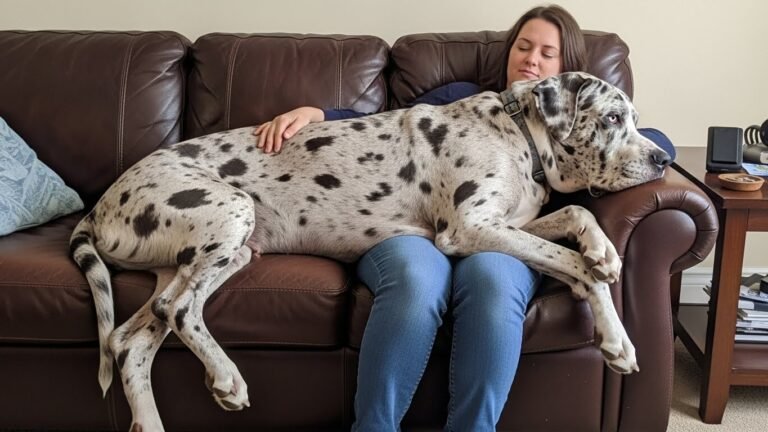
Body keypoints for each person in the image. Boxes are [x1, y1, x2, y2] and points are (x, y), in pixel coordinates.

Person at [253, 5, 673, 431]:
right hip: (413, 227)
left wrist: (625, 148)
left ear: (567, 74)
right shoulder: (460, 98)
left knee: (493, 283)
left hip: (499, 243)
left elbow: (651, 144)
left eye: (548, 54)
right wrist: (321, 115)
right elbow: (385, 129)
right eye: (523, 47)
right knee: (416, 281)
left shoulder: (586, 126)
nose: (531, 60)